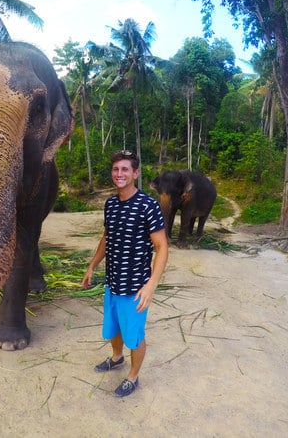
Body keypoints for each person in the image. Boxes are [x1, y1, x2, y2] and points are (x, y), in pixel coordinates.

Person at [82, 150, 169, 397]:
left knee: (135, 336)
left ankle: (133, 377)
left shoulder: (148, 206)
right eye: (116, 169)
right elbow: (107, 237)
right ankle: (117, 357)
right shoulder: (110, 204)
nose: (119, 174)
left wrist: (151, 285)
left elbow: (162, 247)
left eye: (125, 170)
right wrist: (92, 265)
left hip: (135, 288)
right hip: (112, 283)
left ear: (135, 173)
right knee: (115, 328)